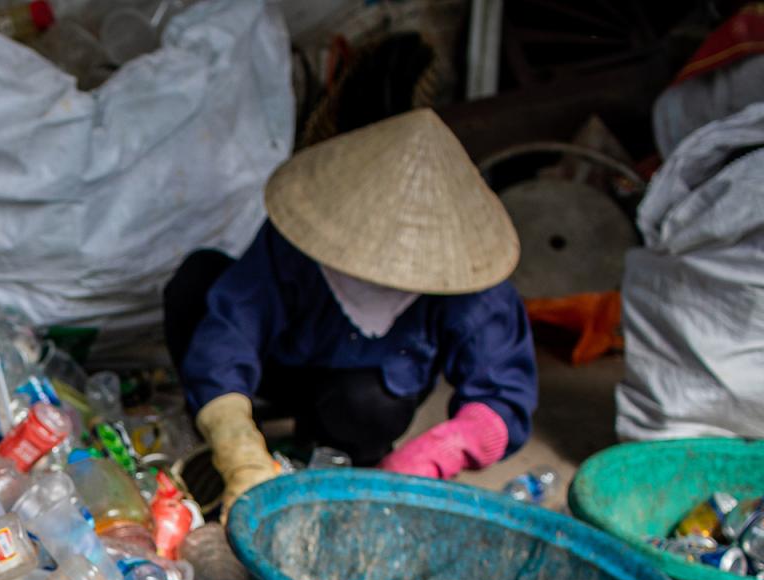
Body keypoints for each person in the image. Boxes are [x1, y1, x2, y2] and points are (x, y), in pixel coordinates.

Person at [165, 108, 538, 508]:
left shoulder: (472, 278)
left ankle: (347, 460)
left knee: (366, 404)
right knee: (197, 281)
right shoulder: (306, 234)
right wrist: (235, 442)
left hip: (364, 398)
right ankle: (222, 434)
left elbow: (503, 398)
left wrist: (433, 455)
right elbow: (232, 327)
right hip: (279, 367)